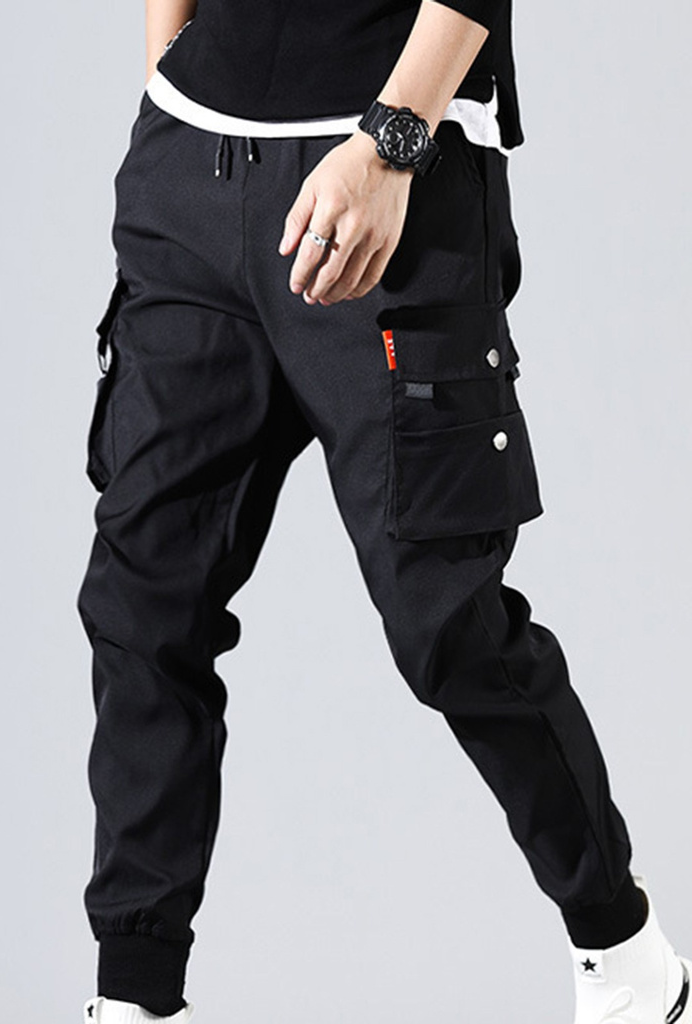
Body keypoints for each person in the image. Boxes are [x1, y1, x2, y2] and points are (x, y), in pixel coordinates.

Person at [76, 2, 689, 1022]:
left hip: (391, 168)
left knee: (444, 622)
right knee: (143, 603)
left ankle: (622, 951)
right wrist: (168, 82)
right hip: (191, 172)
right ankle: (133, 998)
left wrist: (390, 144)